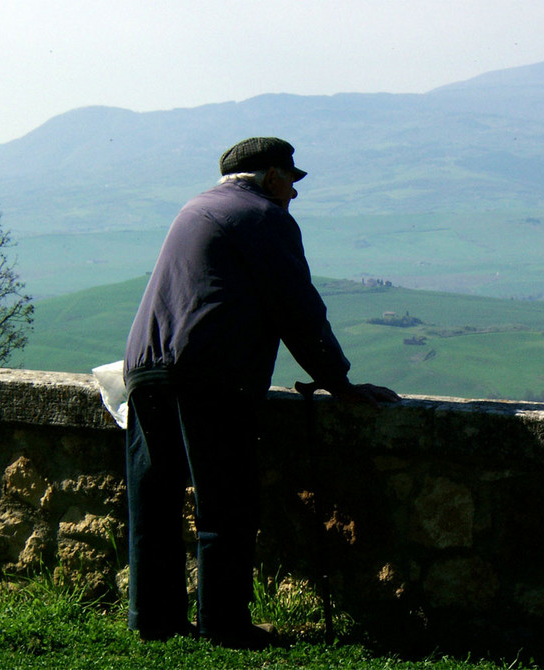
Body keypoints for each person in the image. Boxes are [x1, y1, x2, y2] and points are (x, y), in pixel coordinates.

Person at [122, 137, 400, 648]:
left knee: (154, 497)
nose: (294, 194)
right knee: (225, 499)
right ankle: (224, 625)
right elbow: (296, 307)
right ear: (272, 177)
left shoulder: (196, 208)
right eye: (292, 182)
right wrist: (338, 381)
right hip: (209, 370)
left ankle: (153, 618)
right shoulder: (263, 218)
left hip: (143, 366)